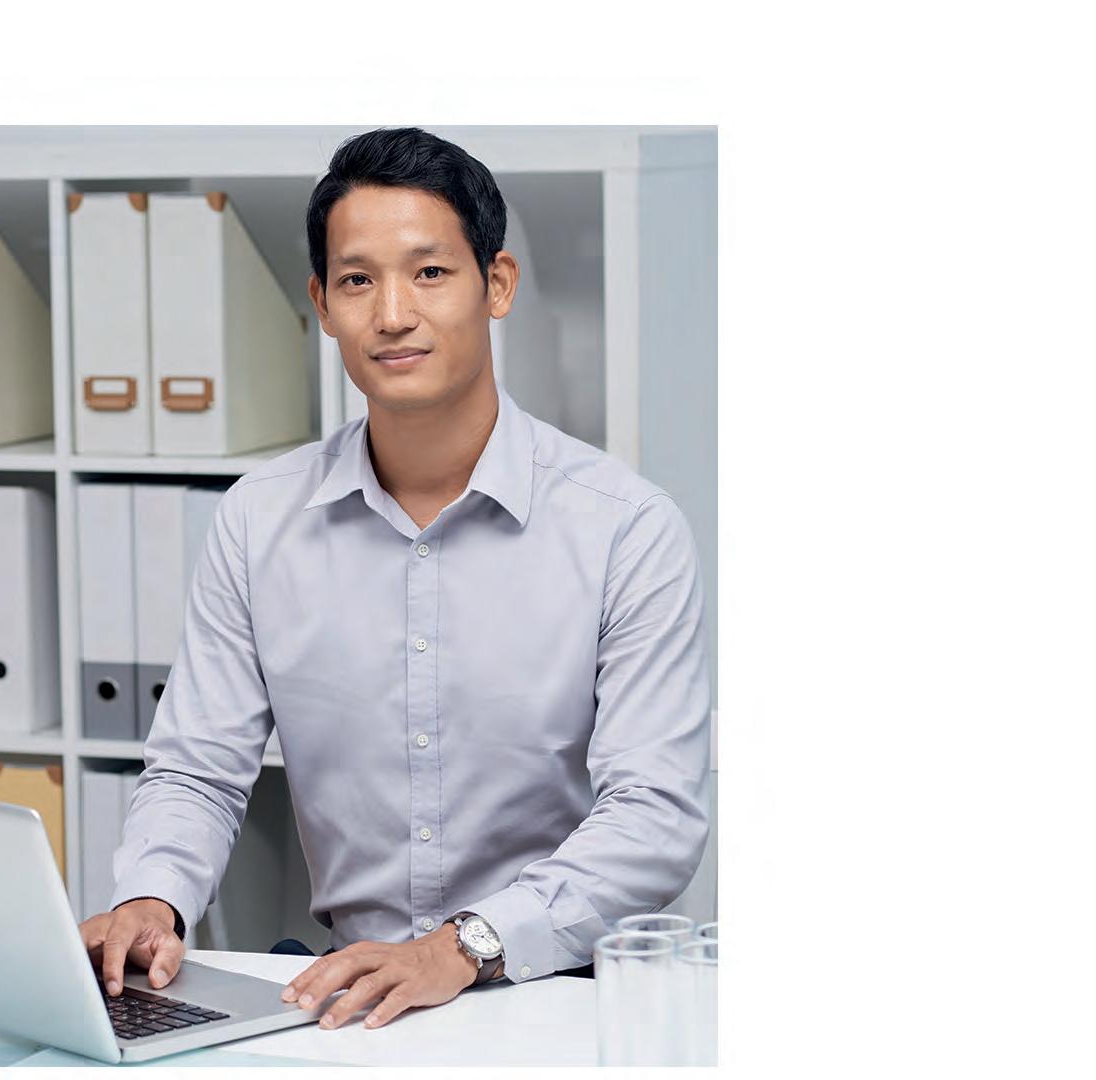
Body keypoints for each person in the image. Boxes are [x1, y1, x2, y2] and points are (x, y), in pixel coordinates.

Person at [78, 126, 711, 1032]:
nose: (392, 314)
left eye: (430, 272)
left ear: (497, 284)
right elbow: (198, 768)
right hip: (351, 1000)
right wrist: (152, 898)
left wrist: (461, 947)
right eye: (357, 281)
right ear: (323, 305)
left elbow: (653, 817)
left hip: (560, 994)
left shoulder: (625, 528)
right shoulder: (259, 520)